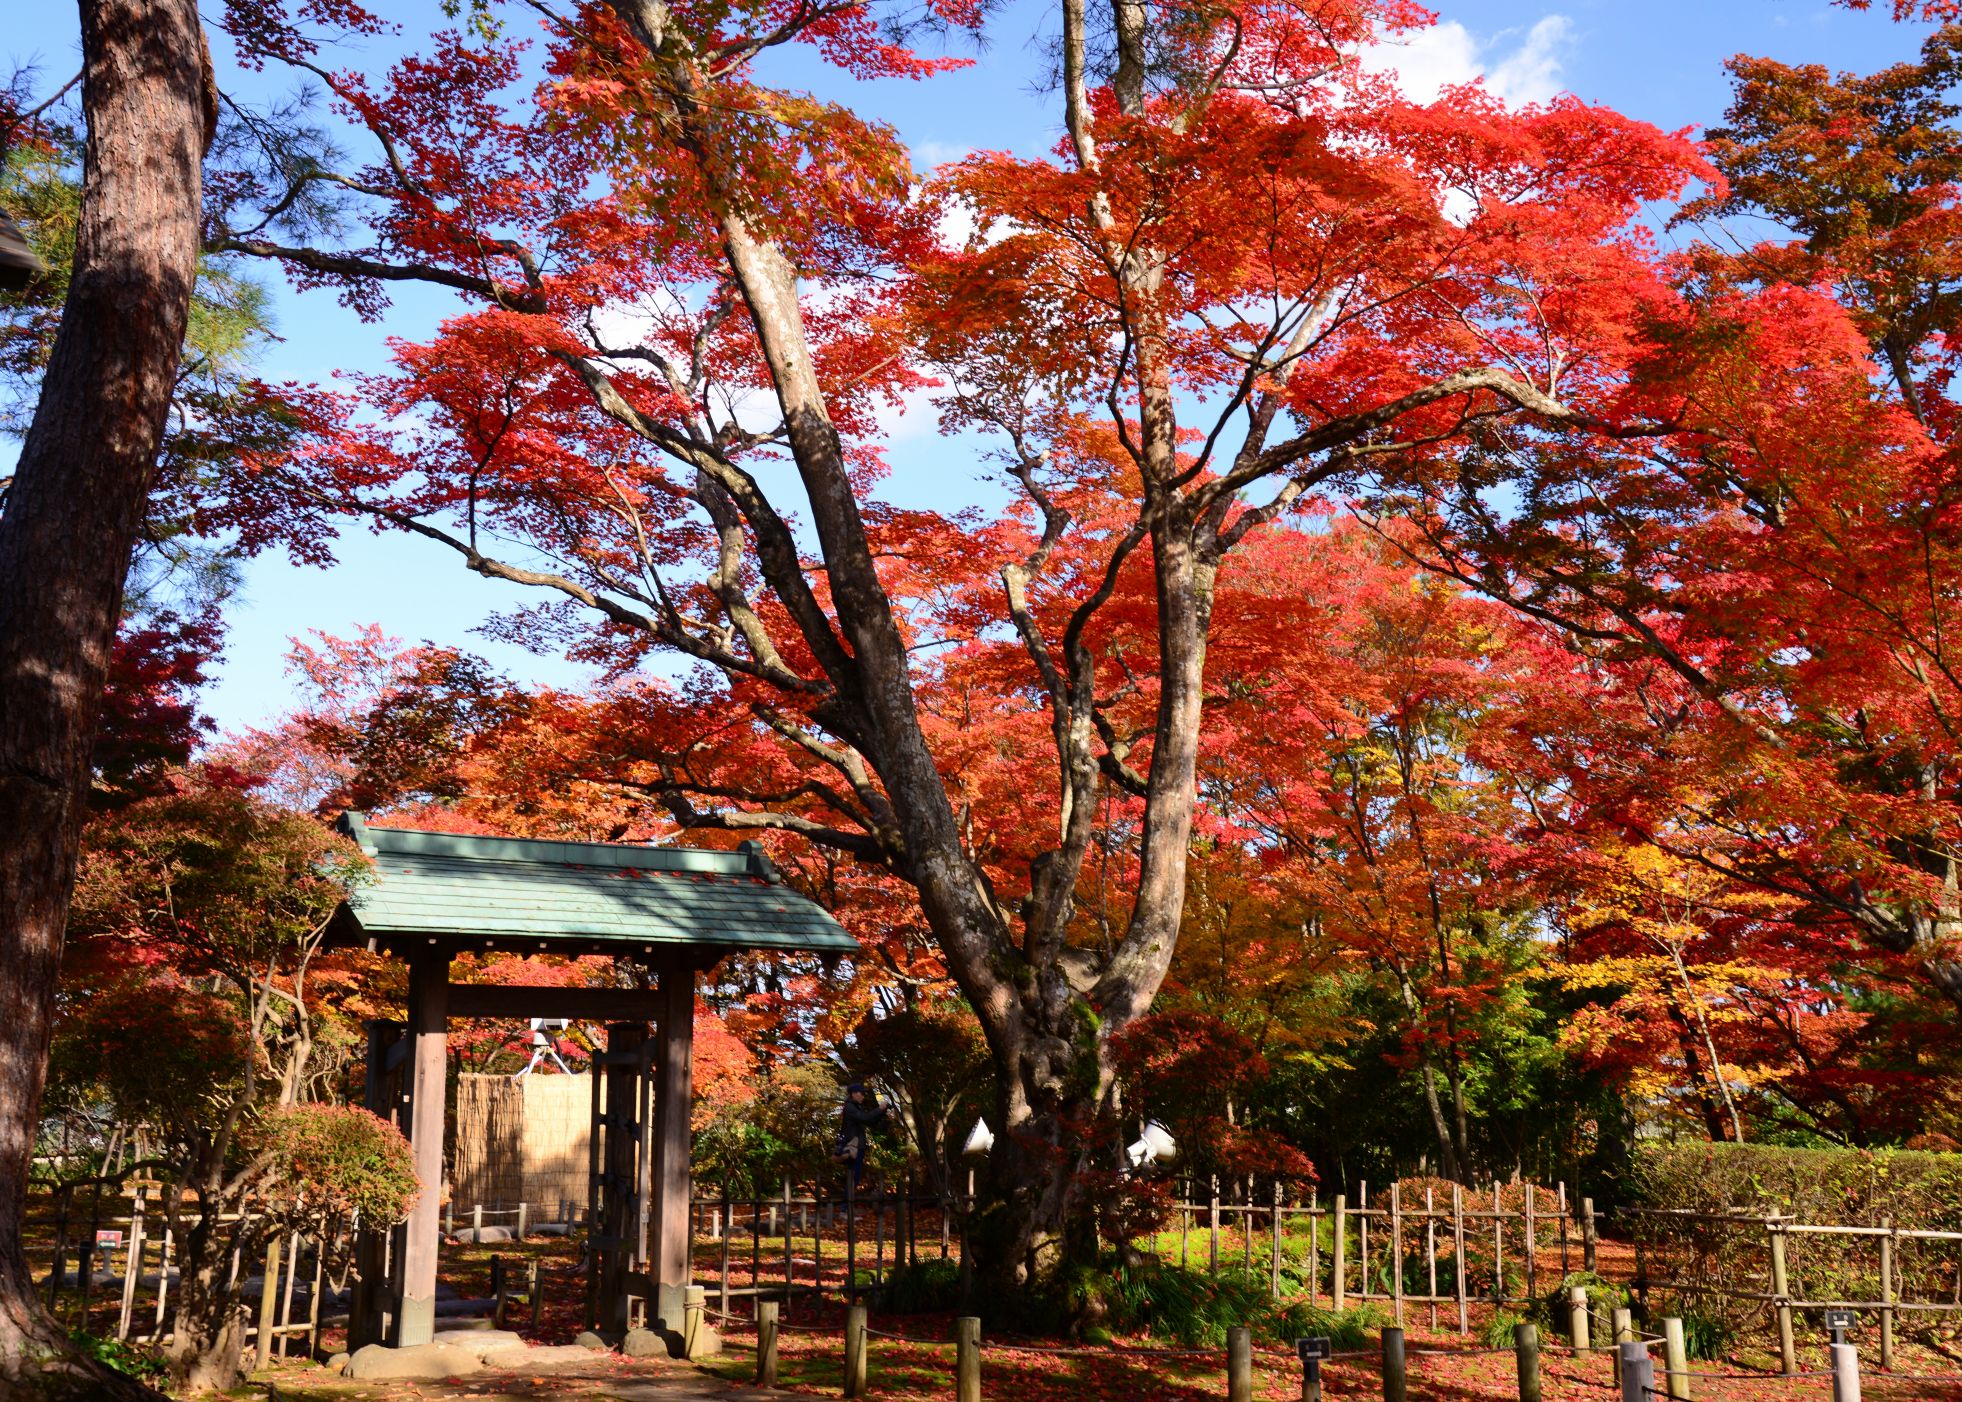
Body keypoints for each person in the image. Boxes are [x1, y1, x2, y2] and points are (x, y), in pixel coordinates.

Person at [834, 1082, 887, 1195]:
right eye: (861, 1093)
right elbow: (865, 1118)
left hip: (857, 1146)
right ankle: (846, 1204)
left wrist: (882, 1112)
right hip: (853, 1146)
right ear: (853, 1094)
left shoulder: (856, 1107)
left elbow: (870, 1122)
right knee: (854, 1176)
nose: (863, 1096)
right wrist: (879, 1109)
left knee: (854, 1176)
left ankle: (847, 1203)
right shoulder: (850, 1107)